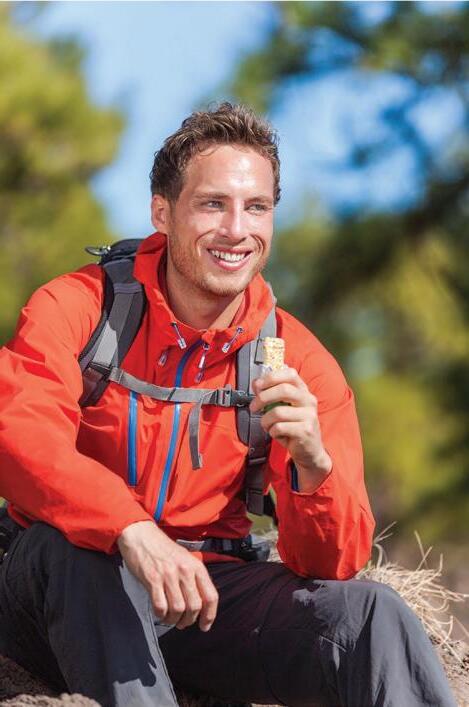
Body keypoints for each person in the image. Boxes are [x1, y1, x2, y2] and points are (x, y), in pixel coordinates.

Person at [0, 103, 456, 707]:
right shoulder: (77, 307)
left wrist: (314, 467)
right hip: (59, 591)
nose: (237, 230)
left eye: (256, 207)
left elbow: (333, 564)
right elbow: (20, 441)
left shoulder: (299, 359)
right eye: (213, 204)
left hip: (206, 600)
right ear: (162, 213)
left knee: (372, 614)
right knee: (79, 554)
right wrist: (128, 527)